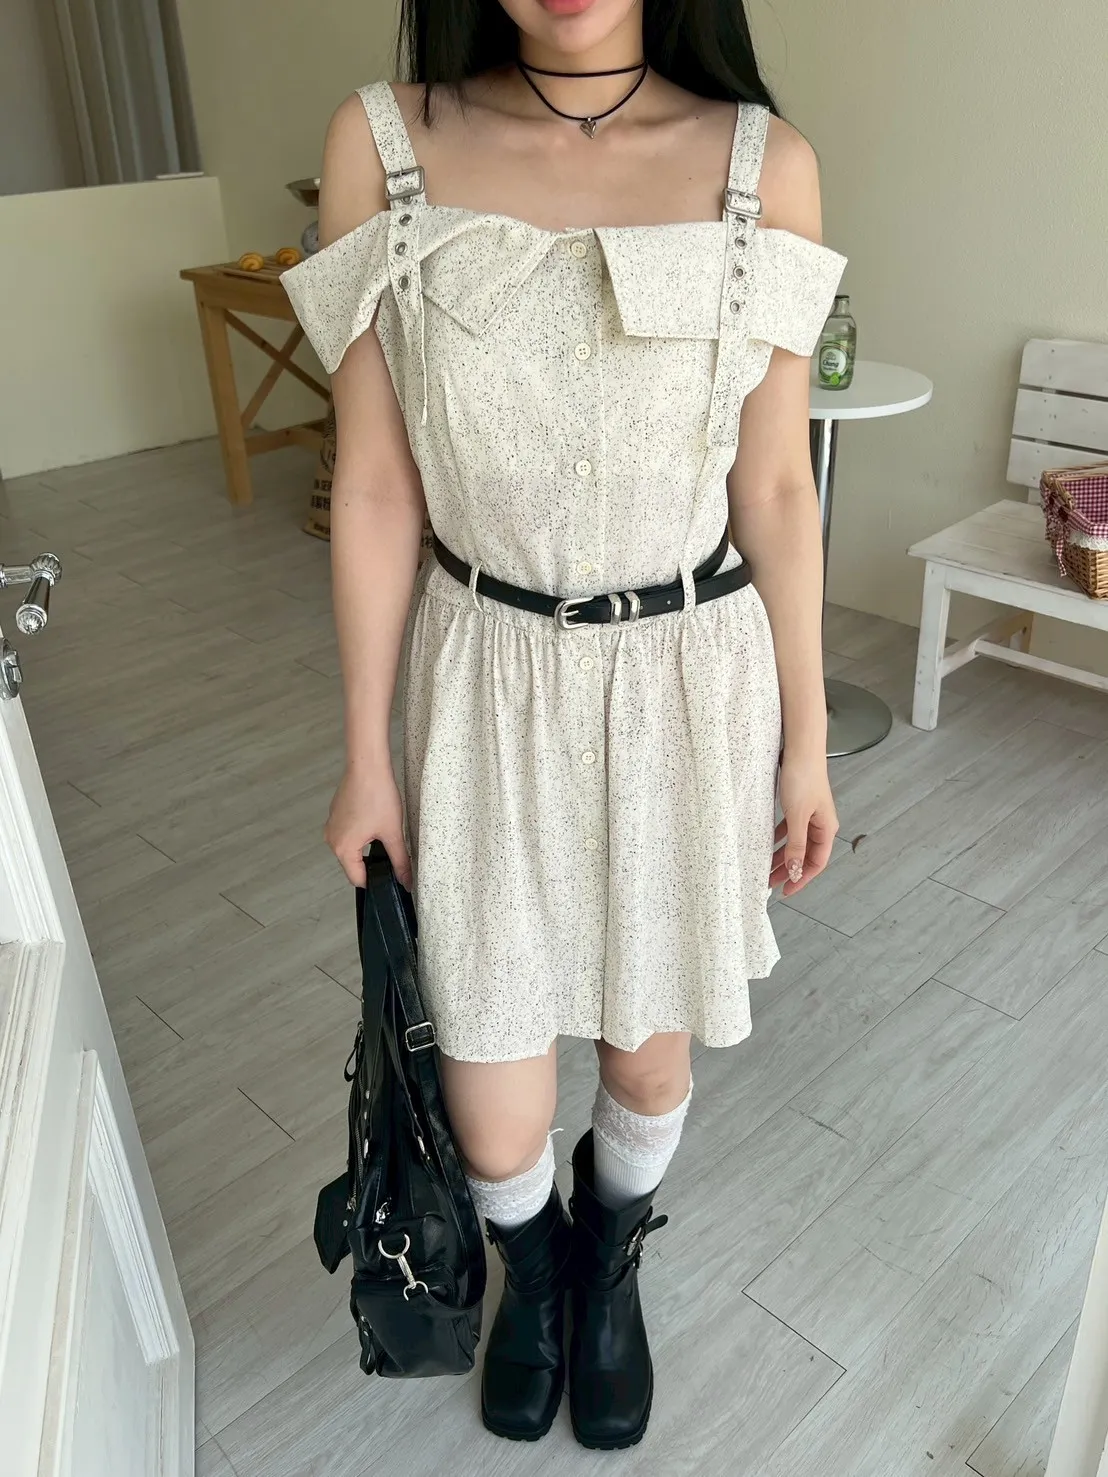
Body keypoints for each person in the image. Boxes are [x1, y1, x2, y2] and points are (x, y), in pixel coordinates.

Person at [282, 0, 846, 1451]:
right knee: (492, 1095)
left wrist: (806, 738)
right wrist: (363, 754)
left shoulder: (763, 164)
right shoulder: (383, 145)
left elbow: (776, 486)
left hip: (684, 685)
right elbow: (376, 485)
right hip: (480, 678)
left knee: (649, 1060)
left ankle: (608, 1267)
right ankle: (532, 1275)